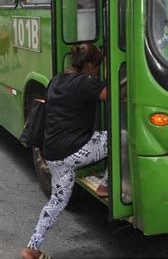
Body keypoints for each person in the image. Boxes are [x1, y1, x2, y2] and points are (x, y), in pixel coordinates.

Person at [21, 43, 108, 259]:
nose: (97, 71)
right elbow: (112, 93)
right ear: (89, 65)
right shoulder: (86, 83)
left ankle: (32, 248)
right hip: (74, 151)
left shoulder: (57, 80)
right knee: (119, 138)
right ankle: (106, 186)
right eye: (97, 67)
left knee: (57, 202)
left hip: (52, 155)